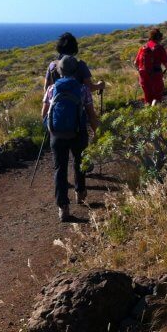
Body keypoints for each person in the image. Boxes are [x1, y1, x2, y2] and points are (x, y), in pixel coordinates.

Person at [42, 56, 99, 222]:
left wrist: (51, 128)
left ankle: (63, 207)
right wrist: (97, 132)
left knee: (60, 169)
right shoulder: (83, 89)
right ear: (76, 71)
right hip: (78, 132)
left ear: (59, 71)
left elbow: (44, 114)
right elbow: (91, 115)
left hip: (57, 134)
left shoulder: (51, 89)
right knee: (79, 162)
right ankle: (80, 193)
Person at [134, 28, 167, 106]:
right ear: (159, 38)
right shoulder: (159, 48)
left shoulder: (143, 47)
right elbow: (166, 64)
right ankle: (156, 114)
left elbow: (135, 63)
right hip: (156, 76)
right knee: (157, 96)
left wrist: (140, 71)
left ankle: (148, 113)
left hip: (143, 76)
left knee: (147, 96)